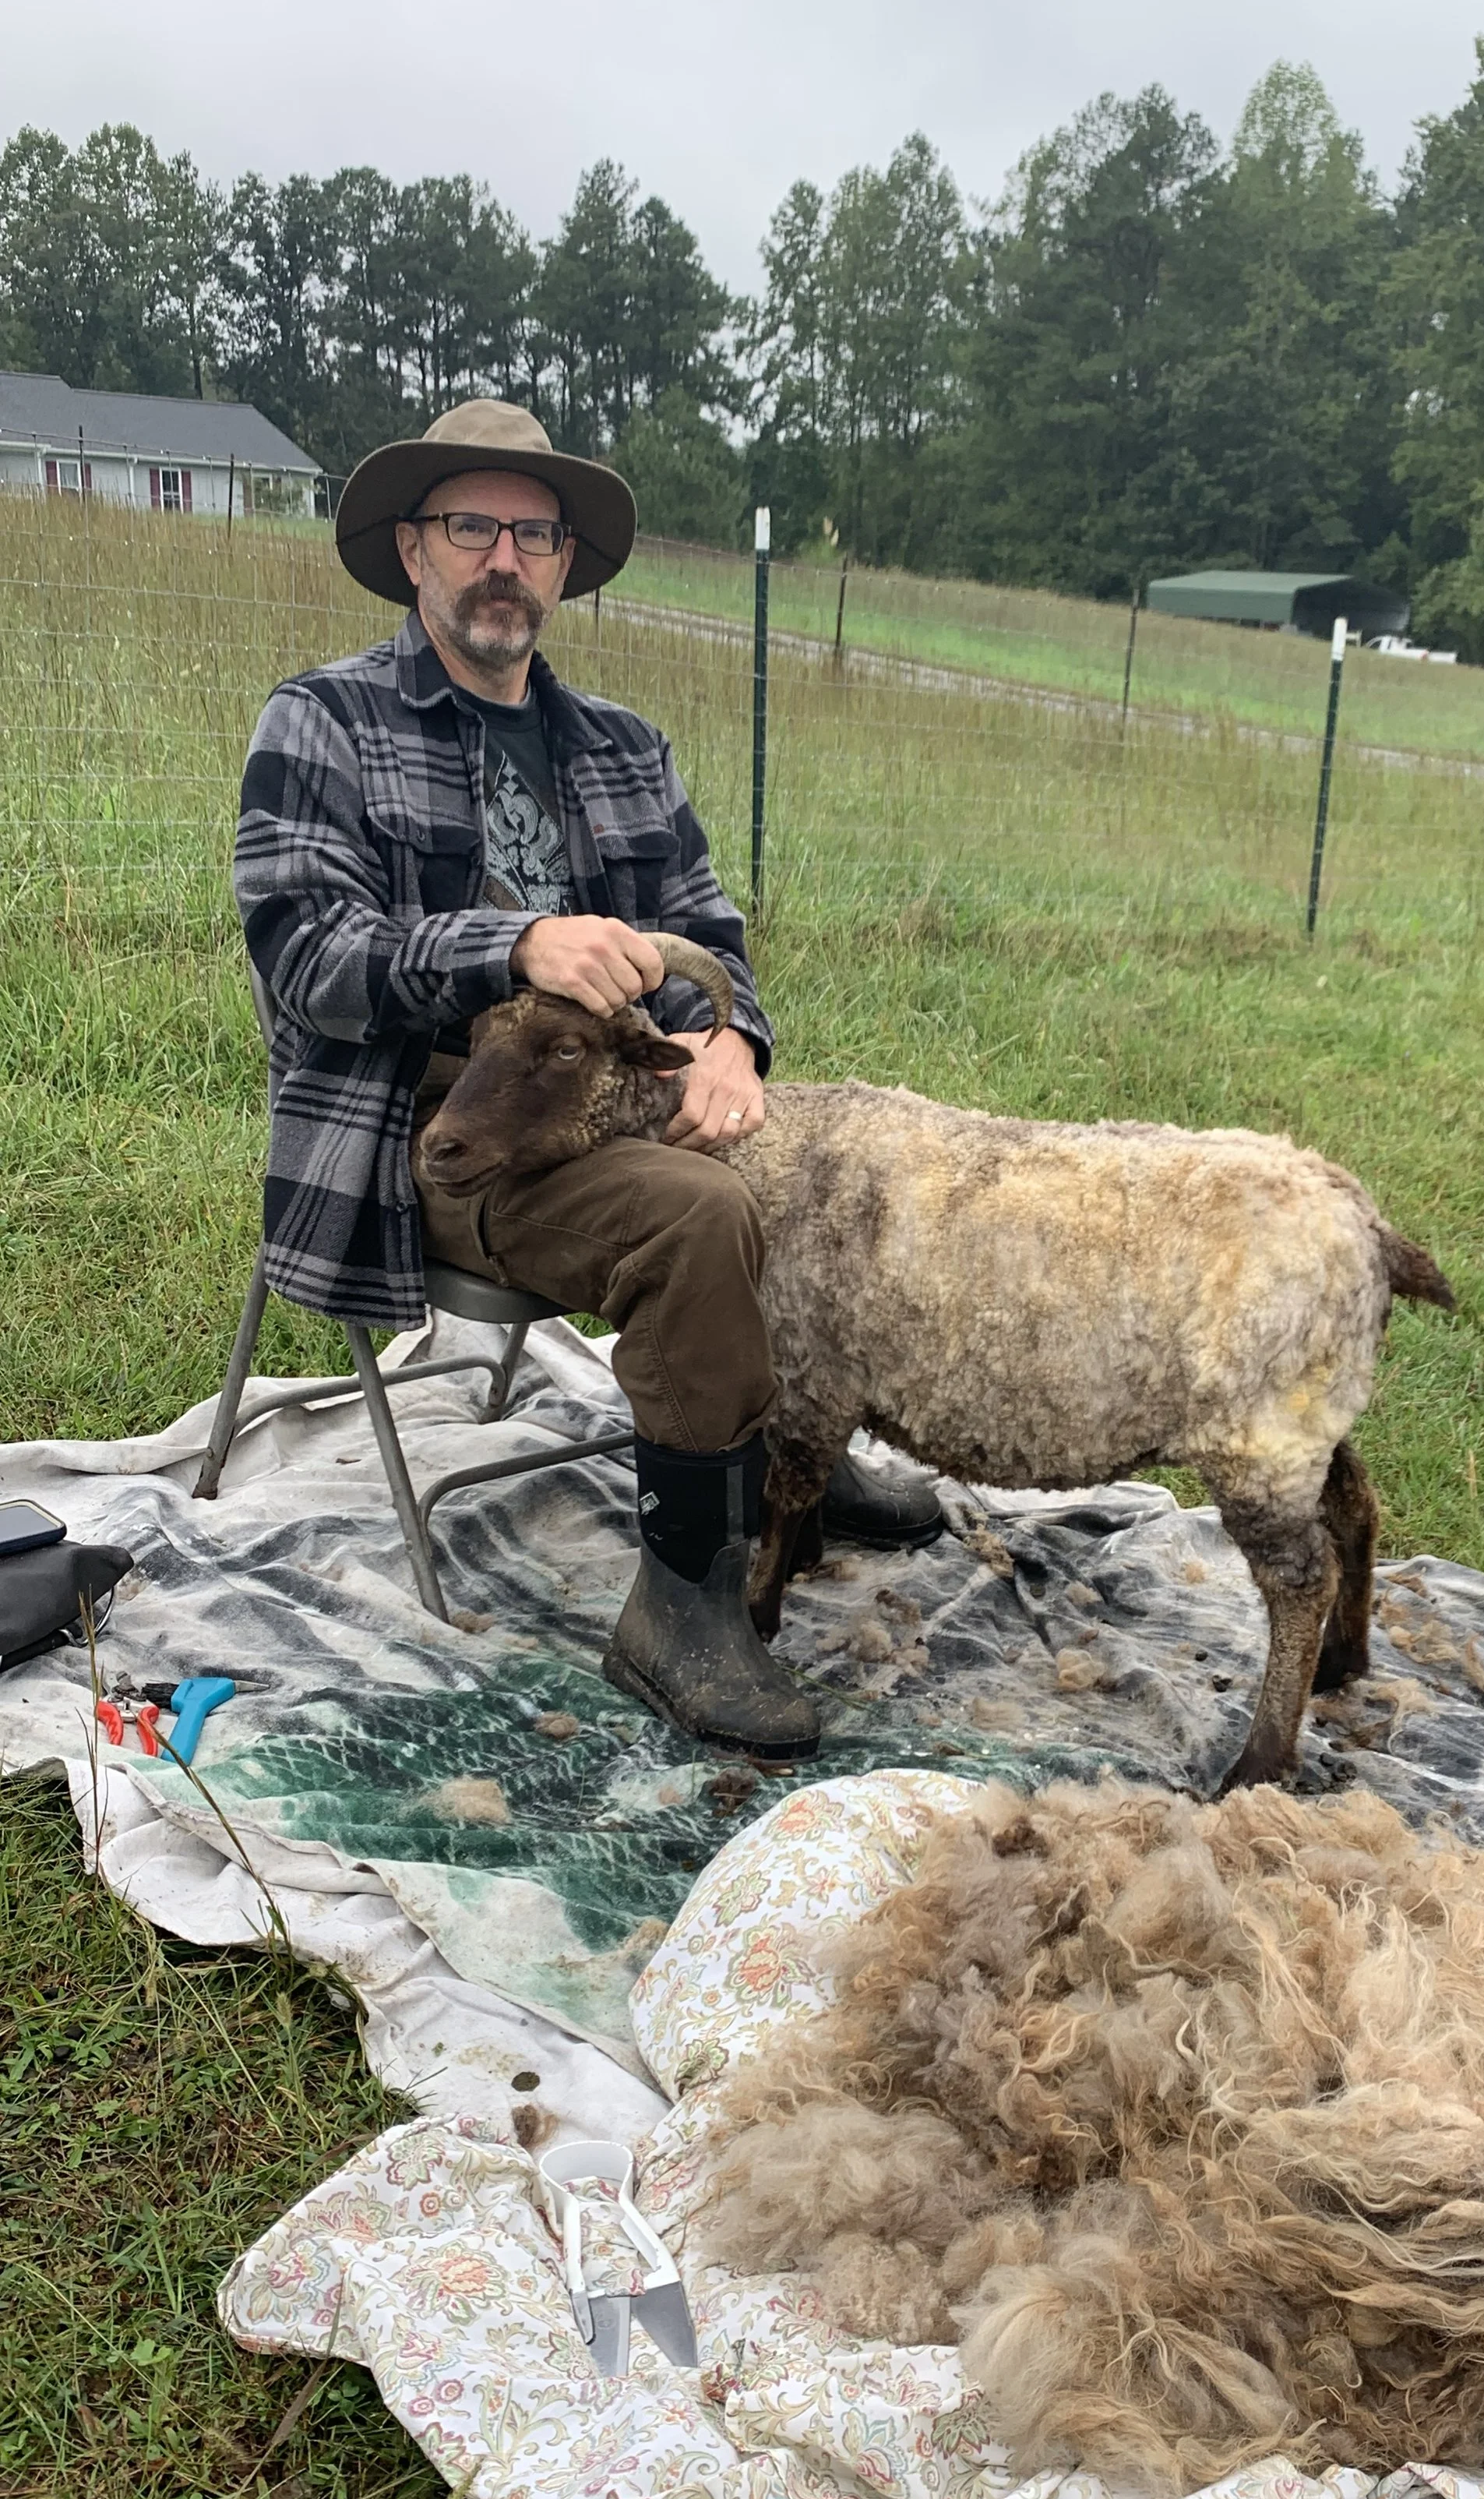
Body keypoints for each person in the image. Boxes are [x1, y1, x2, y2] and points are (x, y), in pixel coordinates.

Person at [232, 397, 939, 1762]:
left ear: (565, 564)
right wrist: (515, 943)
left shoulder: (620, 744)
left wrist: (733, 1043)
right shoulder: (320, 723)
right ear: (413, 547)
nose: (506, 560)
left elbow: (709, 938)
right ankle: (680, 1603)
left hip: (608, 1093)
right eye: (474, 527)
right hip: (436, 1129)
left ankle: (789, 1453)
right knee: (695, 1213)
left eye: (535, 535)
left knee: (809, 1155)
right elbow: (306, 957)